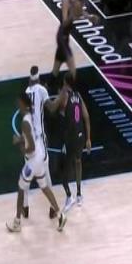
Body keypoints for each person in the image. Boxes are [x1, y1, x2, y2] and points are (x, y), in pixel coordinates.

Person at [6, 92, 67, 233]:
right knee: (44, 187)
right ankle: (60, 215)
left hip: (33, 159)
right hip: (40, 156)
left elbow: (31, 147)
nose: (17, 104)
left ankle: (17, 222)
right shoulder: (32, 116)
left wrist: (21, 146)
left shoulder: (25, 122)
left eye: (18, 102)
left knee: (21, 188)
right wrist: (21, 139)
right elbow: (31, 136)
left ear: (23, 103)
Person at [23, 65, 62, 220]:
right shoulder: (42, 90)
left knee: (26, 172)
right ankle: (53, 208)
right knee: (46, 173)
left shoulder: (26, 92)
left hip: (28, 138)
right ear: (39, 78)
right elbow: (51, 108)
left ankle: (25, 207)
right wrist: (61, 96)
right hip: (38, 139)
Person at [48, 0, 98, 90]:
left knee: (55, 70)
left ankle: (47, 87)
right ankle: (71, 92)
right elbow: (64, 22)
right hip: (62, 37)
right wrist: (72, 16)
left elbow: (80, 12)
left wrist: (90, 17)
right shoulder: (66, 0)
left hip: (65, 38)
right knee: (73, 70)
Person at [58, 72, 91, 211]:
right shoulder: (78, 96)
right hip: (81, 136)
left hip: (70, 137)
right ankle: (79, 194)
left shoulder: (65, 96)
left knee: (63, 171)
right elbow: (86, 116)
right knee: (78, 162)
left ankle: (69, 196)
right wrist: (88, 139)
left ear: (65, 83)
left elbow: (60, 111)